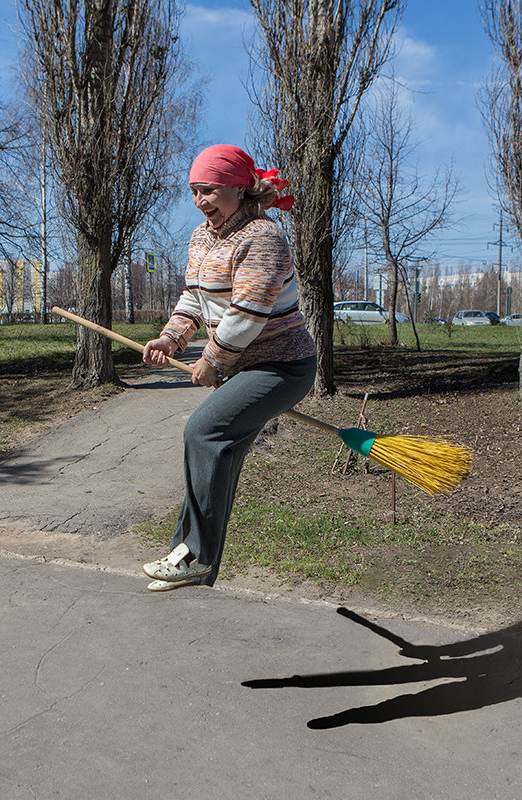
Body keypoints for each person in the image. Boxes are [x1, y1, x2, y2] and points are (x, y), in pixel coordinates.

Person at [140, 144, 317, 591]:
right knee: (221, 453)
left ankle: (195, 556)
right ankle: (194, 562)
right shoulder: (202, 238)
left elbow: (247, 313)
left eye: (210, 190)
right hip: (246, 367)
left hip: (283, 366)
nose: (201, 201)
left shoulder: (263, 238)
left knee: (203, 431)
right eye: (195, 192)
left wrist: (211, 361)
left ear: (238, 189)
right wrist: (171, 338)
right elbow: (193, 298)